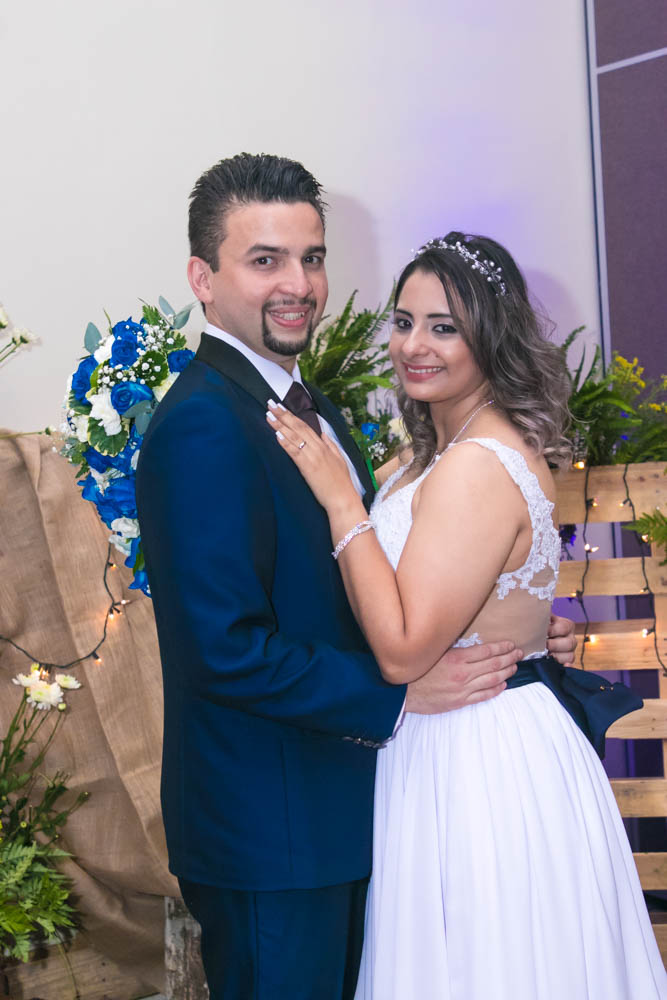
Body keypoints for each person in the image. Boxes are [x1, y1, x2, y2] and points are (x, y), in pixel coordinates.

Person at [135, 155, 577, 999]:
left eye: (311, 257)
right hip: (272, 832)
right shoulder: (204, 424)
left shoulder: (310, 408)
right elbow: (222, 650)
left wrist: (493, 618)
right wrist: (399, 692)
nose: (297, 284)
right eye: (264, 260)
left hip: (354, 812)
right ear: (202, 278)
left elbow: (369, 579)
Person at [269, 232, 667, 999]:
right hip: (438, 737)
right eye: (403, 321)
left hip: (480, 756)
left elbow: (401, 651)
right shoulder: (425, 455)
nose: (413, 345)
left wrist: (341, 501)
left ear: (491, 336)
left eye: (443, 327)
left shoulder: (477, 465)